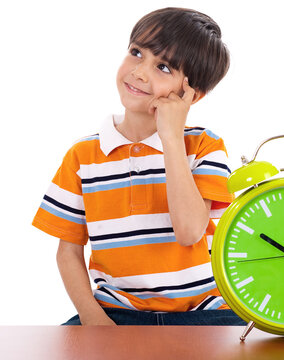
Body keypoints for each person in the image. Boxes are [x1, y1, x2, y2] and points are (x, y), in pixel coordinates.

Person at [32, 7, 246, 326]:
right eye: (136, 53)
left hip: (205, 313)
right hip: (115, 311)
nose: (140, 73)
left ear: (191, 95)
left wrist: (171, 137)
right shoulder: (82, 156)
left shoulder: (204, 146)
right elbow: (68, 252)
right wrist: (94, 319)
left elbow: (189, 232)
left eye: (162, 66)